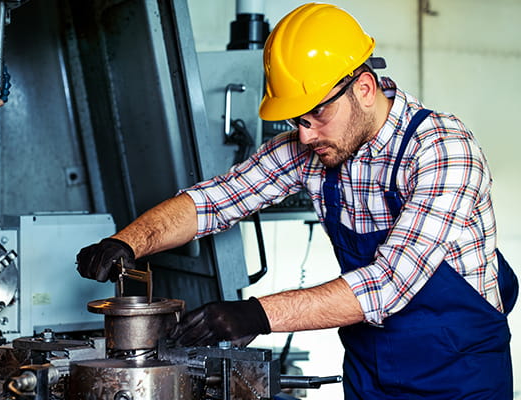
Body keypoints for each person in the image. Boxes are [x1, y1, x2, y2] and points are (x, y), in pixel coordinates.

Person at [76, 3, 519, 399]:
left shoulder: (443, 150)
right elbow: (215, 199)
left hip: (460, 378)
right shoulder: (312, 147)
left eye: (317, 115)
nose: (305, 134)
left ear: (364, 88)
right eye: (296, 120)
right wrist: (128, 243)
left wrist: (253, 315)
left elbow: (387, 284)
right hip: (372, 374)